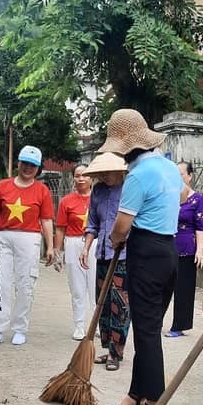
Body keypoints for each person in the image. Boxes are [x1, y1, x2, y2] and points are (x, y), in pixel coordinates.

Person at [99, 108, 182, 405]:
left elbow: (121, 225)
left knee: (147, 332)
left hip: (146, 253)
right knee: (147, 327)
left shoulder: (136, 175)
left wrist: (116, 238)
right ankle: (137, 393)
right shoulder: (170, 168)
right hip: (168, 253)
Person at [0, 145, 54, 348]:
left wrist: (50, 247)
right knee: (0, 282)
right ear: (18, 163)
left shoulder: (42, 190)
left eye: (33, 165)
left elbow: (47, 220)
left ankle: (20, 329)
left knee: (25, 285)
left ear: (38, 168)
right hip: (4, 237)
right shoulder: (3, 186)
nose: (28, 168)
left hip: (30, 238)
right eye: (25, 163)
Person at [79, 152, 130, 371]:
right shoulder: (98, 191)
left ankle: (116, 353)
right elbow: (93, 223)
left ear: (120, 171)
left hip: (124, 255)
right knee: (103, 304)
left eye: (109, 172)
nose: (105, 176)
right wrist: (86, 247)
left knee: (119, 304)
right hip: (102, 253)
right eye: (102, 173)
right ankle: (106, 346)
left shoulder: (129, 189)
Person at [166, 161, 203, 337]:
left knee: (183, 289)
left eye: (181, 174)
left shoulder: (197, 199)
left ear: (189, 177)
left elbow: (200, 226)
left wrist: (200, 251)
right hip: (166, 246)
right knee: (162, 287)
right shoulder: (168, 196)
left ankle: (178, 326)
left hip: (187, 248)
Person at [54, 165, 95, 340]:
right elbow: (60, 229)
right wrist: (58, 251)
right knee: (77, 288)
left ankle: (96, 325)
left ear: (92, 178)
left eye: (85, 176)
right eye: (77, 176)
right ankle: (79, 326)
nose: (81, 179)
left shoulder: (99, 199)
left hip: (95, 243)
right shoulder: (66, 201)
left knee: (96, 287)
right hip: (73, 242)